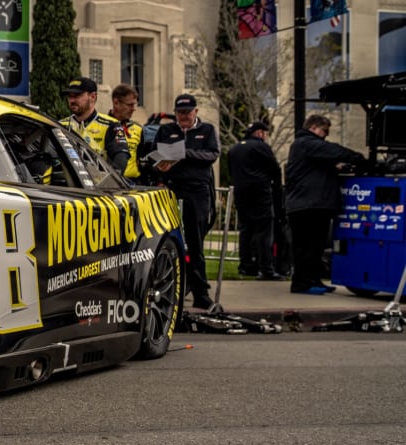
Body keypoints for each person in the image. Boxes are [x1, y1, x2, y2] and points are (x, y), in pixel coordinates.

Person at [149, 94, 220, 310]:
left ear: (195, 112)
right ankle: (167, 287)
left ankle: (200, 292)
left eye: (187, 113)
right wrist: (160, 173)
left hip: (198, 191)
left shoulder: (207, 130)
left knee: (195, 242)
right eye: (180, 113)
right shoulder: (166, 130)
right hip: (172, 187)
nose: (184, 117)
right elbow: (154, 155)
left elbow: (212, 154)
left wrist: (185, 154)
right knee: (166, 238)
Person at [284, 114, 365, 295]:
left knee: (315, 247)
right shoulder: (306, 143)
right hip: (307, 205)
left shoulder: (308, 149)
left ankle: (313, 279)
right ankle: (301, 283)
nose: (325, 135)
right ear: (313, 127)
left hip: (312, 204)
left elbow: (323, 163)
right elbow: (333, 150)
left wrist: (339, 167)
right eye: (324, 131)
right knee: (306, 247)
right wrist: (358, 158)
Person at [228, 121, 282, 280]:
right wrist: (277, 190)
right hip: (260, 193)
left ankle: (246, 265)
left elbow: (231, 170)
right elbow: (275, 169)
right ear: (260, 133)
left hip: (241, 193)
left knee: (245, 230)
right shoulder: (261, 147)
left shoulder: (235, 148)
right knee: (264, 231)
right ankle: (266, 269)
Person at [59, 77, 129, 173]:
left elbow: (121, 158)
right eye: (70, 96)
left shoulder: (110, 125)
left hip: (98, 180)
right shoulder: (60, 125)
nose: (72, 100)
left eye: (77, 96)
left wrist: (110, 178)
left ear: (93, 96)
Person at [107, 83, 142, 180]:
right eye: (130, 105)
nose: (133, 109)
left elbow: (141, 158)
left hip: (134, 182)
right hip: (111, 181)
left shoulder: (138, 128)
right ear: (116, 103)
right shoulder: (103, 125)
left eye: (134, 105)